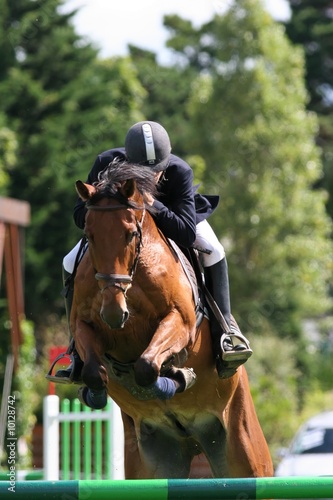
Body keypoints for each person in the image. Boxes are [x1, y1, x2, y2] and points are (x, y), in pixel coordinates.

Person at [54, 121, 252, 383]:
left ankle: (226, 332)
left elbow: (185, 232)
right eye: (141, 171)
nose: (152, 176)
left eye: (156, 170)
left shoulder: (179, 171)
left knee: (215, 249)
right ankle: (76, 350)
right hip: (120, 227)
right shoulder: (106, 163)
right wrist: (102, 206)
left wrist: (152, 204)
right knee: (70, 261)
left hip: (177, 217)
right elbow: (80, 215)